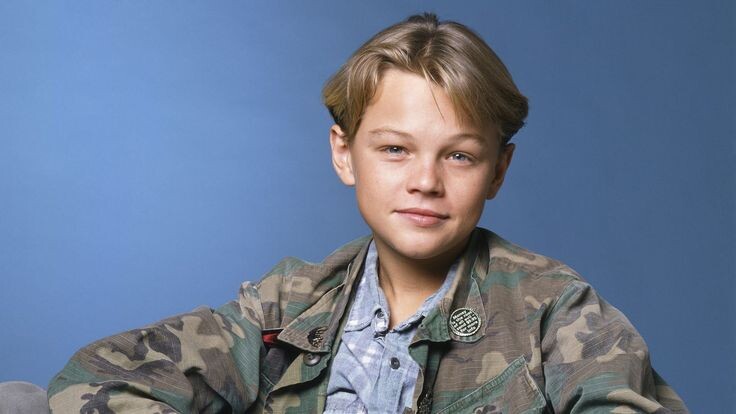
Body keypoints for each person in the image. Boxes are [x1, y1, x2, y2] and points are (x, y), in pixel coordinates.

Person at [47, 13, 688, 413]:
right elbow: (100, 379)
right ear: (344, 154)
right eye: (394, 149)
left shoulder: (555, 313)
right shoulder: (287, 307)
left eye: (459, 156)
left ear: (498, 170)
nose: (425, 182)